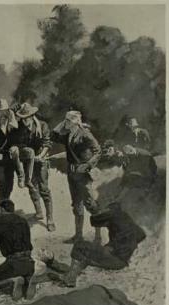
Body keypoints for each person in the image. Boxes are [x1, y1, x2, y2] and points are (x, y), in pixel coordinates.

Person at [47, 202, 146, 287]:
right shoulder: (126, 219)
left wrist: (96, 211)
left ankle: (69, 279)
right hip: (122, 261)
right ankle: (72, 274)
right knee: (88, 254)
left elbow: (95, 221)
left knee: (79, 246)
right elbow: (141, 235)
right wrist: (125, 250)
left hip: (115, 260)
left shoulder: (113, 216)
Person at [51, 110, 101, 244]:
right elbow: (53, 136)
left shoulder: (85, 134)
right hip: (72, 173)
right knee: (76, 205)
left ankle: (98, 236)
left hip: (83, 174)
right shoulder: (68, 134)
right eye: (65, 121)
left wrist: (87, 165)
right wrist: (63, 123)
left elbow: (98, 151)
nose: (65, 123)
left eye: (68, 121)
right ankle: (78, 236)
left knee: (90, 204)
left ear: (74, 122)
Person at [0, 199, 35, 302]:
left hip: (13, 263)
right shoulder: (23, 221)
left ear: (1, 209)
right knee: (21, 271)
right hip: (29, 263)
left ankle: (11, 283)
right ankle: (26, 281)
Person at [14, 103, 56, 231]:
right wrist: (25, 152)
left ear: (32, 116)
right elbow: (19, 144)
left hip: (41, 160)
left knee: (44, 189)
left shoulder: (42, 126)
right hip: (28, 161)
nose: (24, 121)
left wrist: (41, 155)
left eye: (26, 118)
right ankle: (39, 212)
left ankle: (50, 219)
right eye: (22, 118)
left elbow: (47, 143)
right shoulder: (20, 128)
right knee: (32, 186)